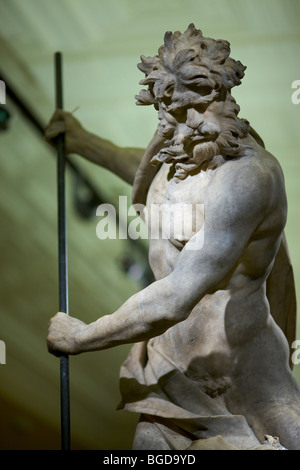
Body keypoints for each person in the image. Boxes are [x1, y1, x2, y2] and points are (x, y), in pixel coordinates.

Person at [45, 24, 299, 450]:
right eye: (178, 114)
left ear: (227, 96)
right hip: (172, 370)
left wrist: (82, 337)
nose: (195, 123)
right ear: (163, 110)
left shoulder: (247, 179)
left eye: (206, 105)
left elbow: (176, 296)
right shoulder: (179, 147)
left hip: (248, 375)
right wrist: (85, 142)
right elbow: (146, 170)